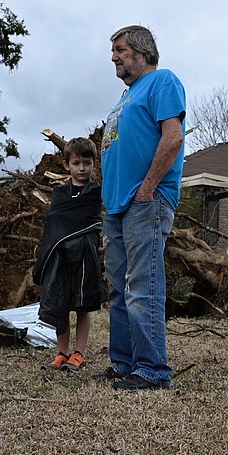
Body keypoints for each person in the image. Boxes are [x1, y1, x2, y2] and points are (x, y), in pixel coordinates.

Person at [95, 25, 186, 390]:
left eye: (120, 49)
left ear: (142, 52)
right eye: (113, 51)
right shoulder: (126, 96)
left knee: (142, 286)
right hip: (116, 206)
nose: (114, 57)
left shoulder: (162, 81)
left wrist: (147, 189)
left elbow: (173, 137)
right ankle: (124, 363)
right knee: (119, 289)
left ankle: (152, 370)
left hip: (145, 201)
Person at [33, 137, 105, 372]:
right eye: (76, 163)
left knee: (83, 305)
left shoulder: (97, 193)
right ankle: (62, 353)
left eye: (87, 163)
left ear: (94, 164)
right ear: (66, 165)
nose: (81, 168)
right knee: (60, 301)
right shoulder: (60, 193)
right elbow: (54, 223)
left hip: (85, 253)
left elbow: (94, 222)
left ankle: (79, 354)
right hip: (59, 255)